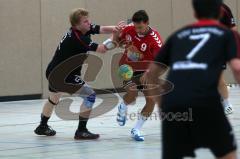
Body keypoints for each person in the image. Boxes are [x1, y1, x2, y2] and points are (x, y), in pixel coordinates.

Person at [141, 0, 240, 158]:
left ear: (195, 14)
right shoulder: (227, 34)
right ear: (221, 13)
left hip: (173, 104)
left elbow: (150, 75)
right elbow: (237, 68)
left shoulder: (178, 35)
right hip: (205, 102)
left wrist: (162, 104)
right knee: (227, 154)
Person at [34, 8, 122, 140]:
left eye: (88, 20)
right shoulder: (79, 38)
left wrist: (119, 29)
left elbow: (102, 29)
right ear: (77, 25)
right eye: (85, 21)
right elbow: (103, 49)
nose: (89, 23)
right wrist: (116, 37)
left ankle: (42, 126)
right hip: (63, 76)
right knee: (90, 95)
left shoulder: (81, 29)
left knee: (53, 99)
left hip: (53, 71)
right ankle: (81, 131)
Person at [115, 10, 163, 141]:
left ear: (147, 23)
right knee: (133, 92)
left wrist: (149, 73)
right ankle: (123, 106)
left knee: (151, 100)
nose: (137, 30)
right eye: (135, 27)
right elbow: (117, 41)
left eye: (140, 27)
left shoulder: (155, 39)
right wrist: (116, 33)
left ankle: (136, 129)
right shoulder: (129, 29)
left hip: (147, 70)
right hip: (127, 67)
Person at [219, 3, 237, 114]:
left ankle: (227, 104)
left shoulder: (223, 8)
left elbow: (233, 28)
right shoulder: (202, 8)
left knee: (217, 75)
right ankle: (224, 89)